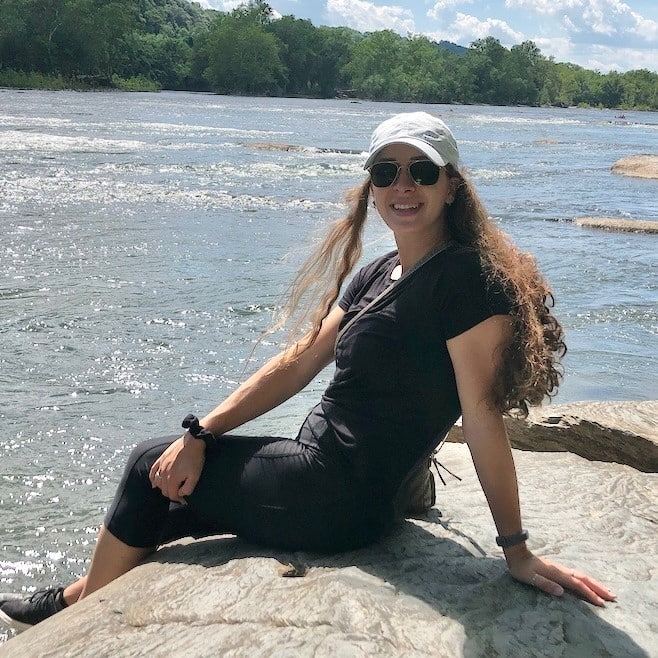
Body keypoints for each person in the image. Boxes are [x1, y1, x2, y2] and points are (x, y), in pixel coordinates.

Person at [0, 111, 615, 633]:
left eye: (421, 171)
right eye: (385, 172)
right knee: (174, 494)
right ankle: (85, 594)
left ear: (452, 186)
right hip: (327, 476)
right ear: (371, 187)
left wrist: (516, 550)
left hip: (336, 492)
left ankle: (73, 613)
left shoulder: (465, 282)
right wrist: (202, 431)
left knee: (144, 464)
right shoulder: (380, 272)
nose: (403, 186)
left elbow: (481, 417)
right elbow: (297, 364)